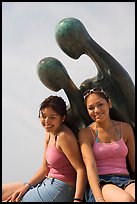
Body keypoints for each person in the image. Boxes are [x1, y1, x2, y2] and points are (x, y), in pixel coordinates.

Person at [2, 95, 87, 202]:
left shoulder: (63, 137)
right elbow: (44, 168)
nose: (46, 121)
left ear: (62, 118)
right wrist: (26, 186)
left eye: (52, 117)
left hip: (61, 188)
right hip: (47, 182)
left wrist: (77, 199)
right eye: (43, 116)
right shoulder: (49, 133)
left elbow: (80, 169)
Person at [78, 87, 135, 202]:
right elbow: (90, 167)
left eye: (100, 104)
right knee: (126, 200)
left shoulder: (125, 128)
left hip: (126, 180)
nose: (96, 110)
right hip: (102, 183)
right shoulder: (86, 133)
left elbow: (134, 164)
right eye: (91, 108)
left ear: (109, 103)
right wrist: (99, 198)